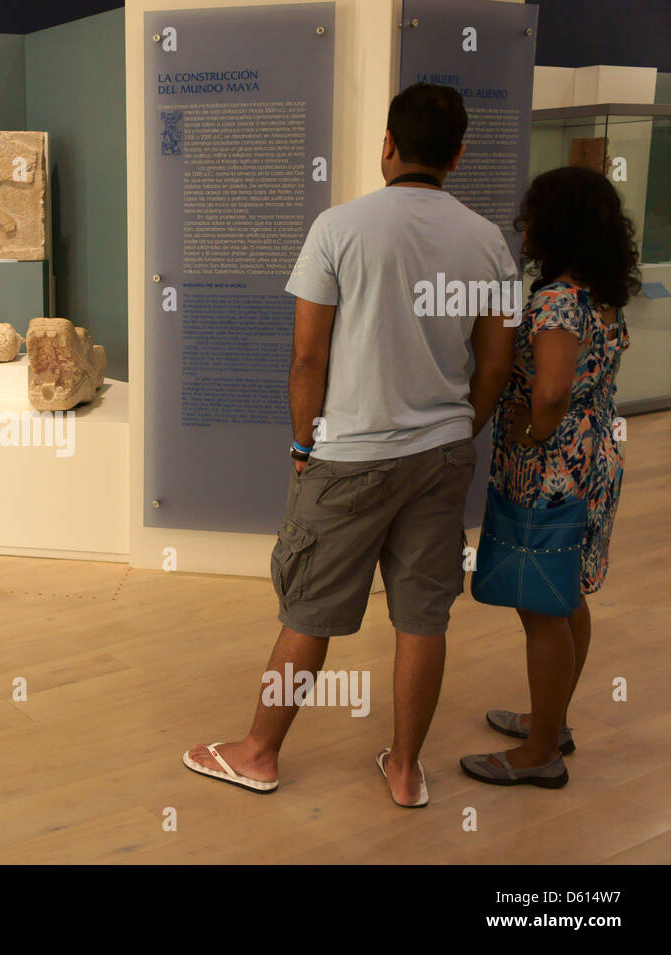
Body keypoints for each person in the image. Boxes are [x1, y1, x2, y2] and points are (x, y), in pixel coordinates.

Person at [183, 83, 518, 807]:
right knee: (424, 615)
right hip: (442, 453)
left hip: (350, 453)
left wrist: (305, 444)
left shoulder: (339, 228)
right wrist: (461, 426)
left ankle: (258, 751)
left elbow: (309, 359)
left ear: (387, 146)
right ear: (459, 154)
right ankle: (404, 769)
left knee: (308, 609)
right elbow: (496, 362)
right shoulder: (489, 242)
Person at [461, 167, 638, 788]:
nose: (524, 226)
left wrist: (528, 434)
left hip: (552, 468)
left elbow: (554, 391)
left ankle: (540, 753)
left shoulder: (559, 301)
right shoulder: (602, 295)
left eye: (533, 215)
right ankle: (550, 721)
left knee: (541, 605)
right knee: (565, 596)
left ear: (555, 224)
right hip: (593, 459)